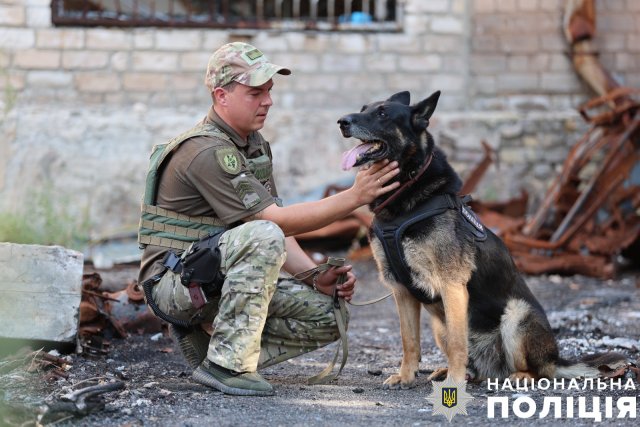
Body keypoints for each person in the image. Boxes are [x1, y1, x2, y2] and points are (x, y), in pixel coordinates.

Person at [138, 42, 399, 396]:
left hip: (211, 277)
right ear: (222, 96)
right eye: (255, 92)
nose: (268, 101)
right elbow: (271, 223)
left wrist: (314, 276)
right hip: (175, 287)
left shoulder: (253, 145)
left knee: (329, 312)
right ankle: (227, 366)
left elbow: (278, 226)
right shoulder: (205, 151)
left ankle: (211, 348)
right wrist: (354, 197)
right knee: (263, 232)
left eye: (269, 91)